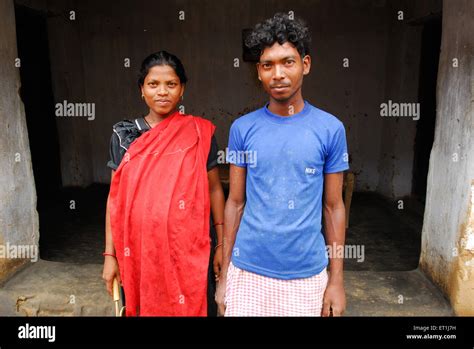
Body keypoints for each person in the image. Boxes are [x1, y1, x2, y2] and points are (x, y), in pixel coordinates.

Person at [216, 13, 350, 316]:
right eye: (267, 65)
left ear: (305, 64)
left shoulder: (330, 129)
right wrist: (224, 278)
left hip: (307, 273)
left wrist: (337, 281)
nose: (278, 73)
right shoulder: (242, 129)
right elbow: (235, 203)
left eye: (287, 62)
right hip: (247, 268)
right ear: (259, 73)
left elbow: (334, 207)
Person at [102, 51, 225, 316]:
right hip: (138, 251)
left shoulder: (198, 132)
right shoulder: (124, 135)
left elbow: (214, 188)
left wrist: (221, 243)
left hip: (190, 250)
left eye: (171, 84)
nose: (162, 92)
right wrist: (110, 256)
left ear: (182, 90)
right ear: (141, 90)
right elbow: (115, 199)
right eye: (153, 84)